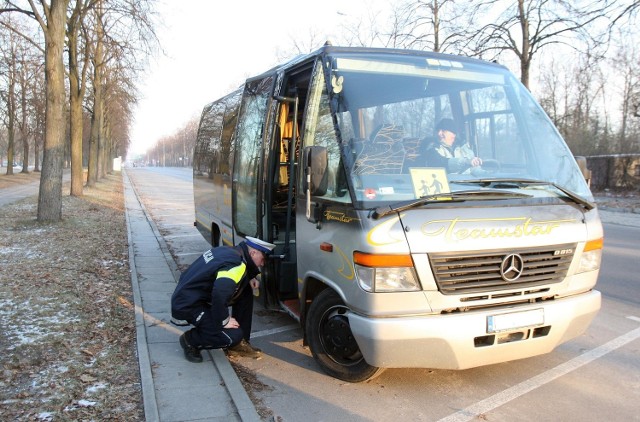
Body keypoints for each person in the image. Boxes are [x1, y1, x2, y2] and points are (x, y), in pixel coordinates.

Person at [171, 236, 276, 362]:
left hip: (191, 294)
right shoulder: (236, 265)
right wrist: (224, 320)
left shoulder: (229, 251)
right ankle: (190, 340)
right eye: (262, 259)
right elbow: (220, 293)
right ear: (253, 253)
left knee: (245, 290)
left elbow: (222, 273)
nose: (262, 264)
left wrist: (250, 277)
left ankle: (239, 344)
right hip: (188, 304)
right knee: (232, 336)